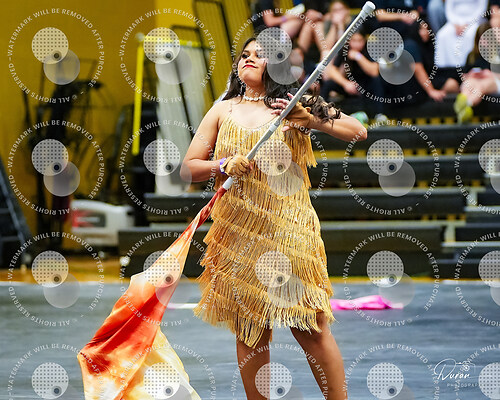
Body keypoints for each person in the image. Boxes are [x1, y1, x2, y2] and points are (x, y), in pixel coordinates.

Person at [181, 36, 367, 400]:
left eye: (259, 55)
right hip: (238, 231)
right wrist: (222, 164)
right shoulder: (222, 110)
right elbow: (189, 168)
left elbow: (358, 131)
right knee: (250, 329)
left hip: (289, 228)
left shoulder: (295, 102)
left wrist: (310, 119)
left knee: (310, 324)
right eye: (244, 55)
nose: (248, 59)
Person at [454, 11, 500, 123]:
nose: (484, 42)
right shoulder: (472, 56)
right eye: (481, 38)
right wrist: (470, 75)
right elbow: (464, 75)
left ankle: (467, 105)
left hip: (494, 82)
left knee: (481, 85)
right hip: (476, 81)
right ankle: (462, 103)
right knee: (468, 83)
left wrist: (489, 74)